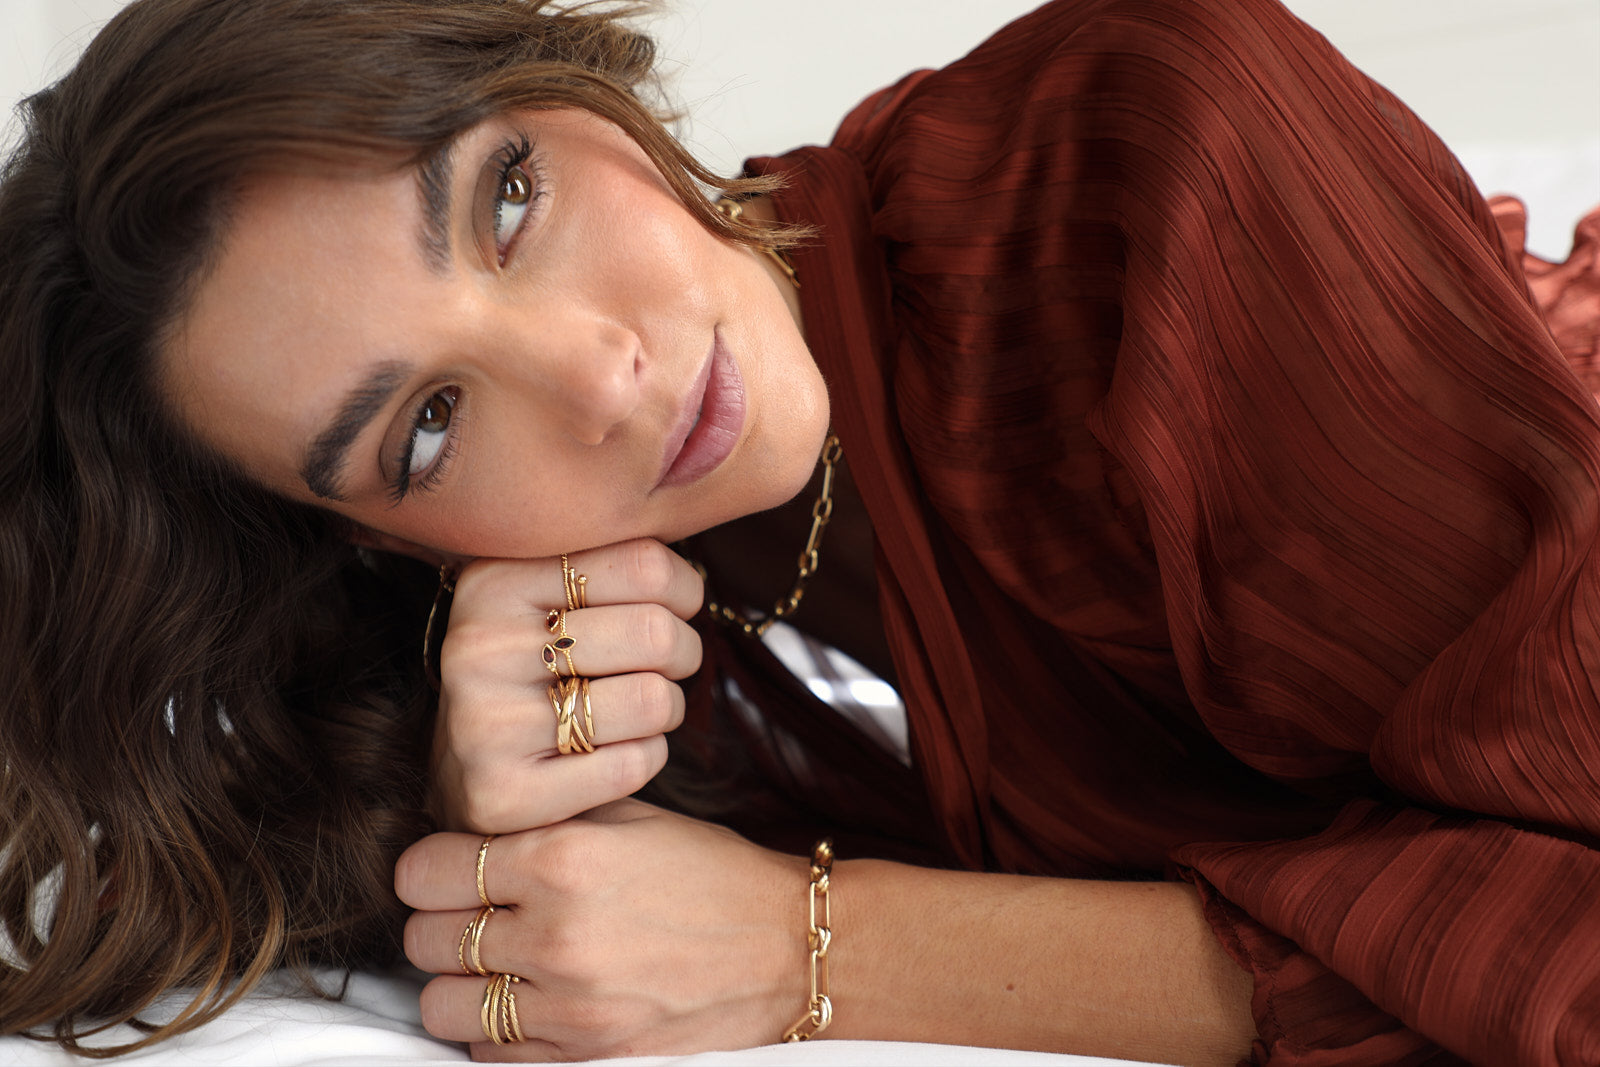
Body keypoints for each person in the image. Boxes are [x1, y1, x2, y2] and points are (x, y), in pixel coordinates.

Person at [1, 0, 1596, 1063]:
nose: (600, 376)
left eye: (507, 199)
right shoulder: (564, 618)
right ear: (371, 545)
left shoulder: (1150, 158)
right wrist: (490, 818)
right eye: (426, 424)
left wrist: (809, 946)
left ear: (568, 84)